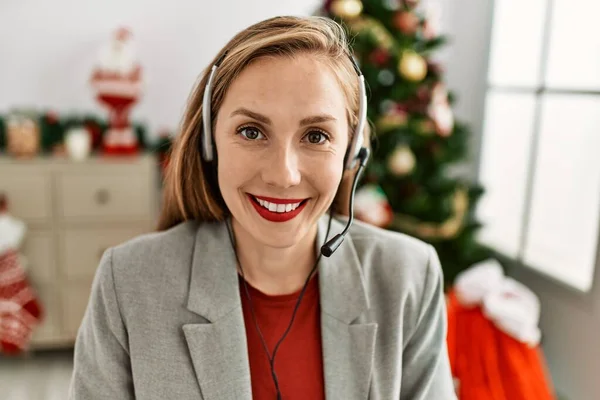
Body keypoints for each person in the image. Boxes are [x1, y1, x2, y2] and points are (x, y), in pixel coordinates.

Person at [69, 15, 456, 400]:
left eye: (316, 135)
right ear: (210, 140)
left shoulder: (408, 277)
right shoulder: (130, 282)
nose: (282, 175)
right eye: (251, 132)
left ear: (351, 151)